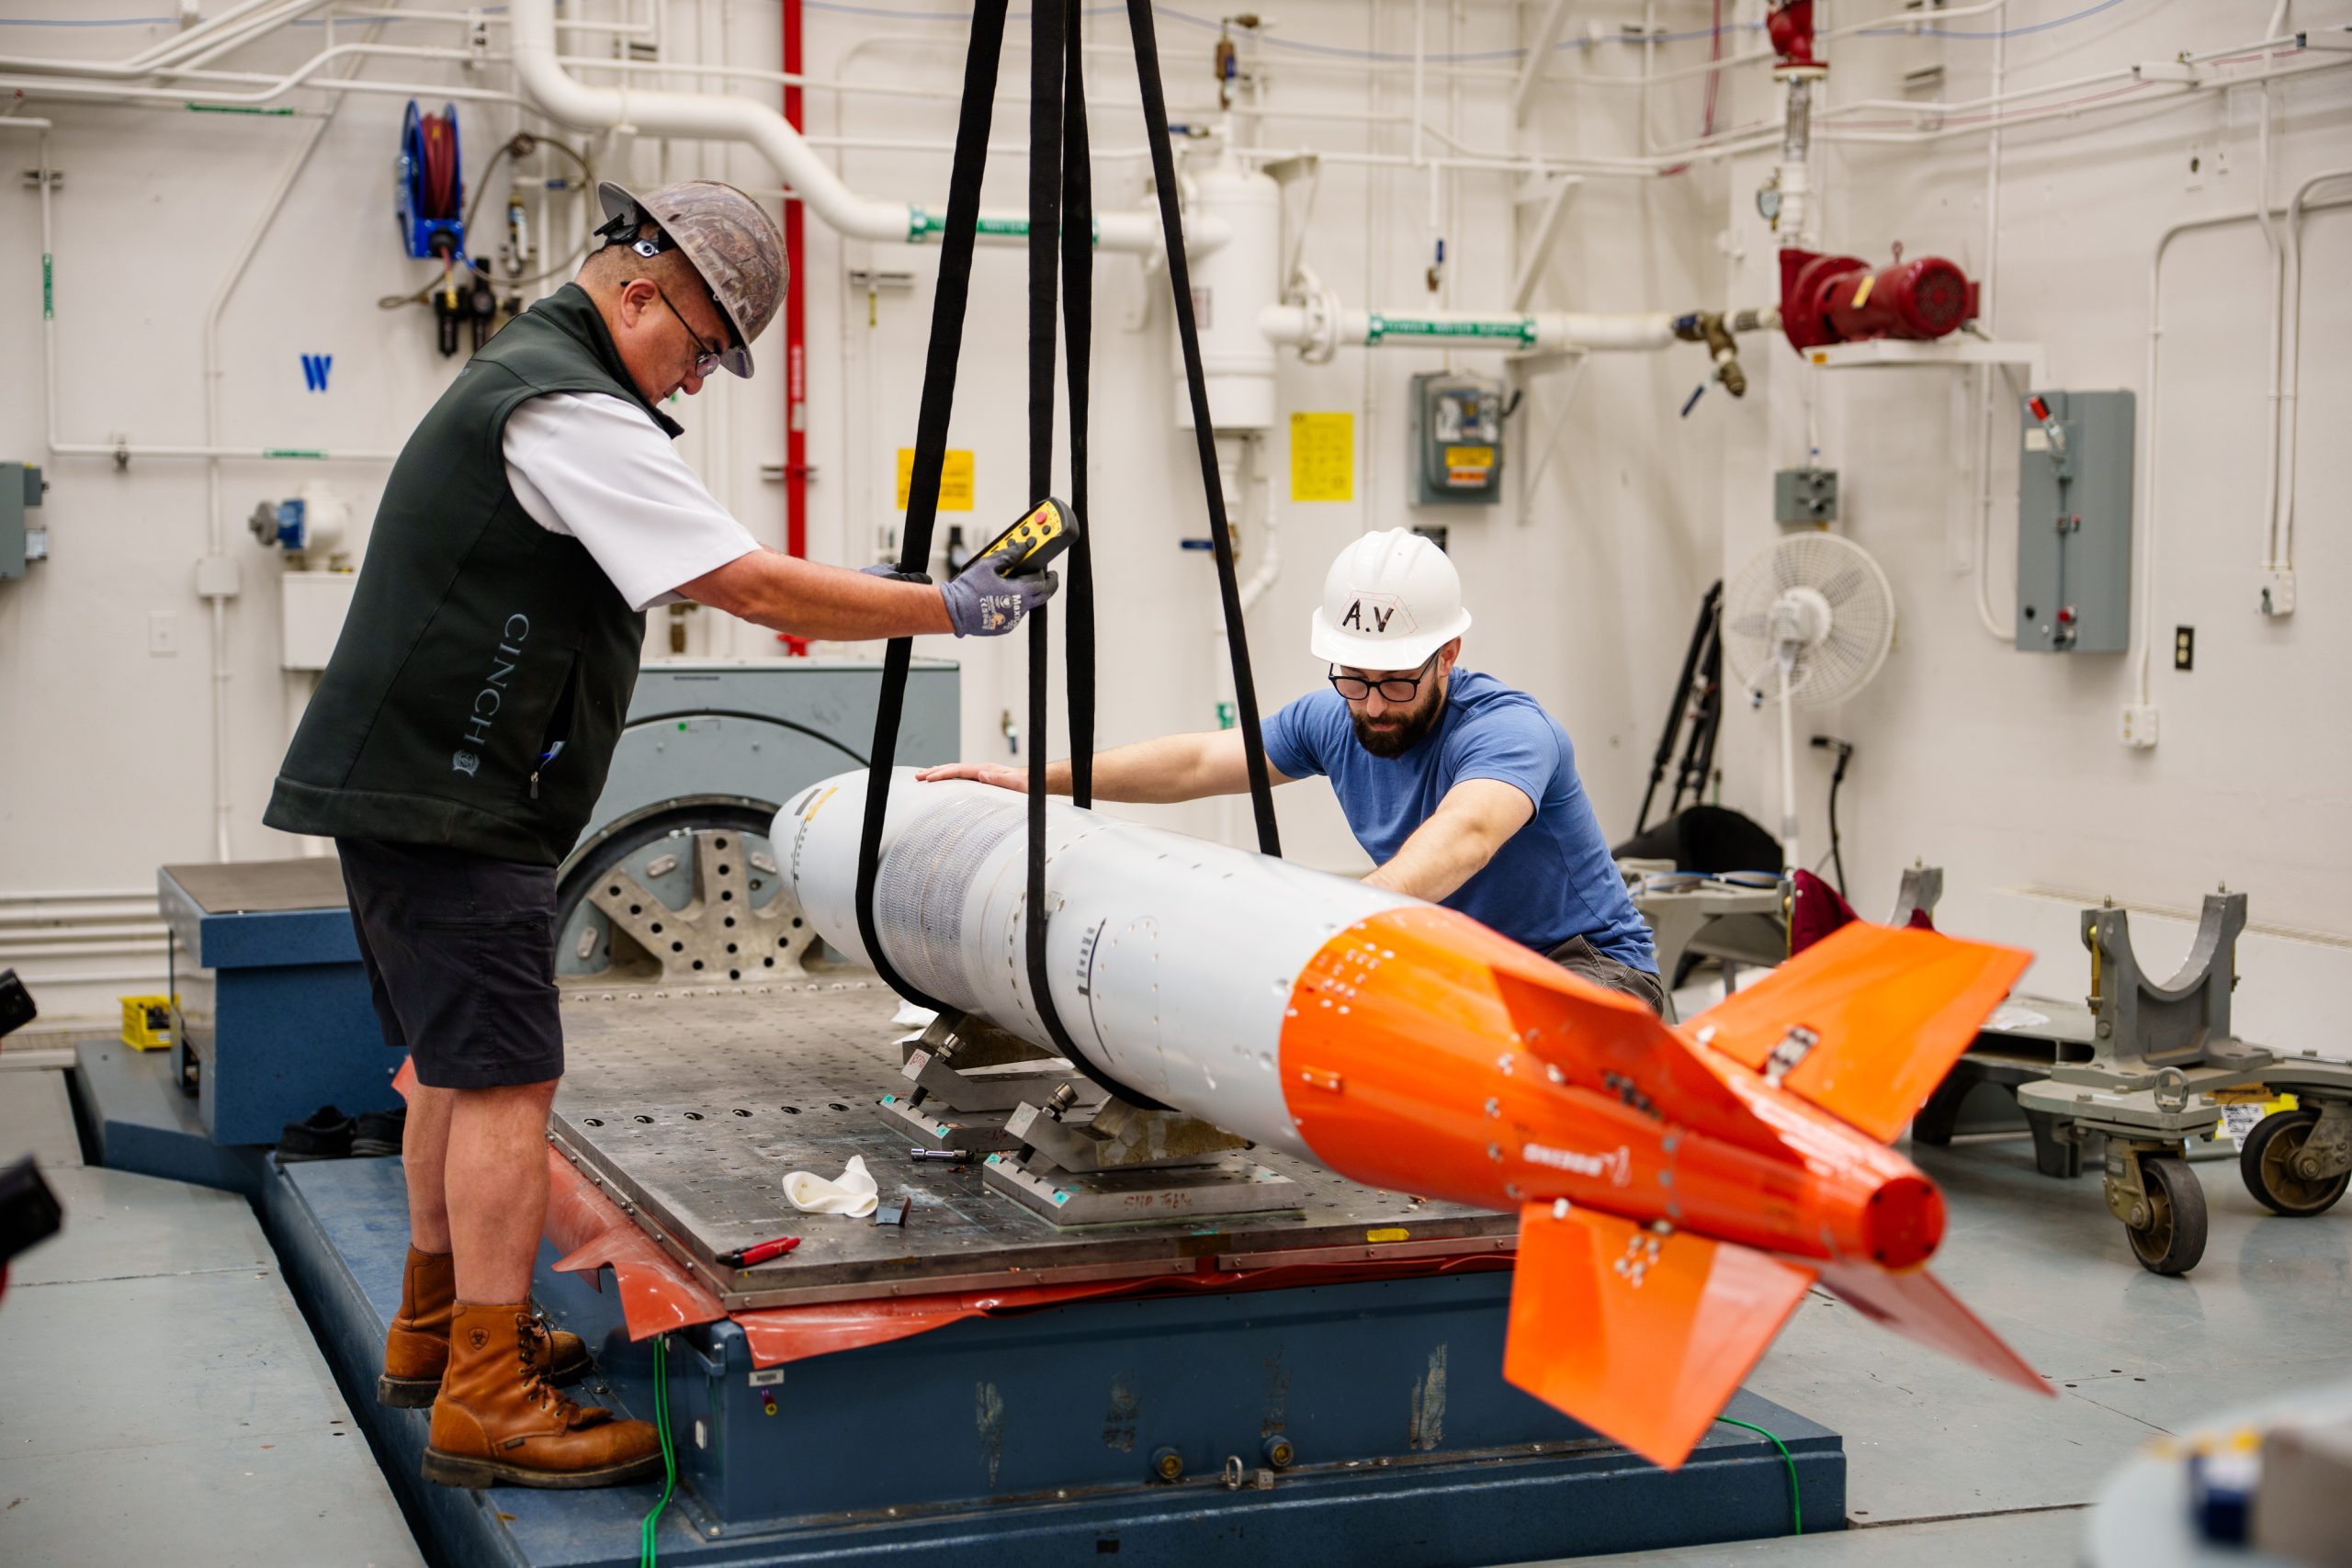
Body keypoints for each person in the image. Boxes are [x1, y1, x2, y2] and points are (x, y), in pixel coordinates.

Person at [263, 180, 1054, 1491]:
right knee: (509, 1082)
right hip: (458, 804)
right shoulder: (569, 405)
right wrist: (947, 607)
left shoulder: (536, 381)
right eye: (695, 347)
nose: (693, 379)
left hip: (408, 791)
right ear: (637, 291)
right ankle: (487, 1394)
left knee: (456, 1072)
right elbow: (744, 580)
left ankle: (438, 1328)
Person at [920, 527, 1662, 1012]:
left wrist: (1326, 928)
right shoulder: (1335, 715)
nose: (1373, 706)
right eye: (1355, 678)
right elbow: (1199, 760)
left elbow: (1465, 835)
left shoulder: (1510, 732)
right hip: (1470, 968)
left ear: (1448, 657)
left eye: (1396, 683)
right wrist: (1030, 779)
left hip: (1589, 976)